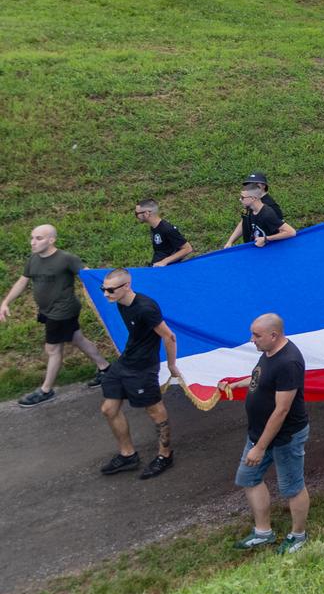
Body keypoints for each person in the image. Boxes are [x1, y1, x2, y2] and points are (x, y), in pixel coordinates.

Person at [217, 313, 311, 554]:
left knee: (292, 487)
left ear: (274, 335)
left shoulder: (288, 362)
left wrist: (260, 447)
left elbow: (281, 410)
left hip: (285, 437)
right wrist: (241, 383)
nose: (252, 340)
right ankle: (263, 533)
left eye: (256, 335)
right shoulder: (269, 351)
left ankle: (299, 536)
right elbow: (264, 379)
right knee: (248, 478)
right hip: (258, 433)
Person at [1, 225, 111, 405]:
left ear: (51, 240)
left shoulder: (66, 259)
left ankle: (46, 390)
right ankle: (106, 368)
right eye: (32, 238)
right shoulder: (33, 259)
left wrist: (108, 294)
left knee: (53, 349)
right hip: (47, 310)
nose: (32, 242)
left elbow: (88, 275)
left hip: (63, 311)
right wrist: (5, 302)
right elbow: (23, 281)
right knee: (77, 338)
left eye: (38, 238)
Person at [96, 269, 181, 479]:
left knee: (155, 411)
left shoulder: (146, 308)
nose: (105, 294)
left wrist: (171, 366)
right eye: (103, 289)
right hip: (126, 361)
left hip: (143, 367)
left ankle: (165, 454)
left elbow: (169, 337)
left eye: (110, 290)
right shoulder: (120, 302)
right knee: (108, 409)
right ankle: (128, 455)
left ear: (126, 286)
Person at [225, 184, 297, 248]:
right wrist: (230, 242)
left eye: (242, 197)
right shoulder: (248, 209)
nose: (240, 199)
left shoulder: (267, 214)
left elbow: (291, 232)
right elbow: (243, 223)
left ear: (253, 198)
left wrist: (266, 238)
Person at [135, 200, 192, 266]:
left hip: (166, 269)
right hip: (157, 266)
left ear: (147, 213)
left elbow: (187, 248)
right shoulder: (154, 227)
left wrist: (164, 262)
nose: (136, 216)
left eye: (136, 214)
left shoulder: (167, 229)